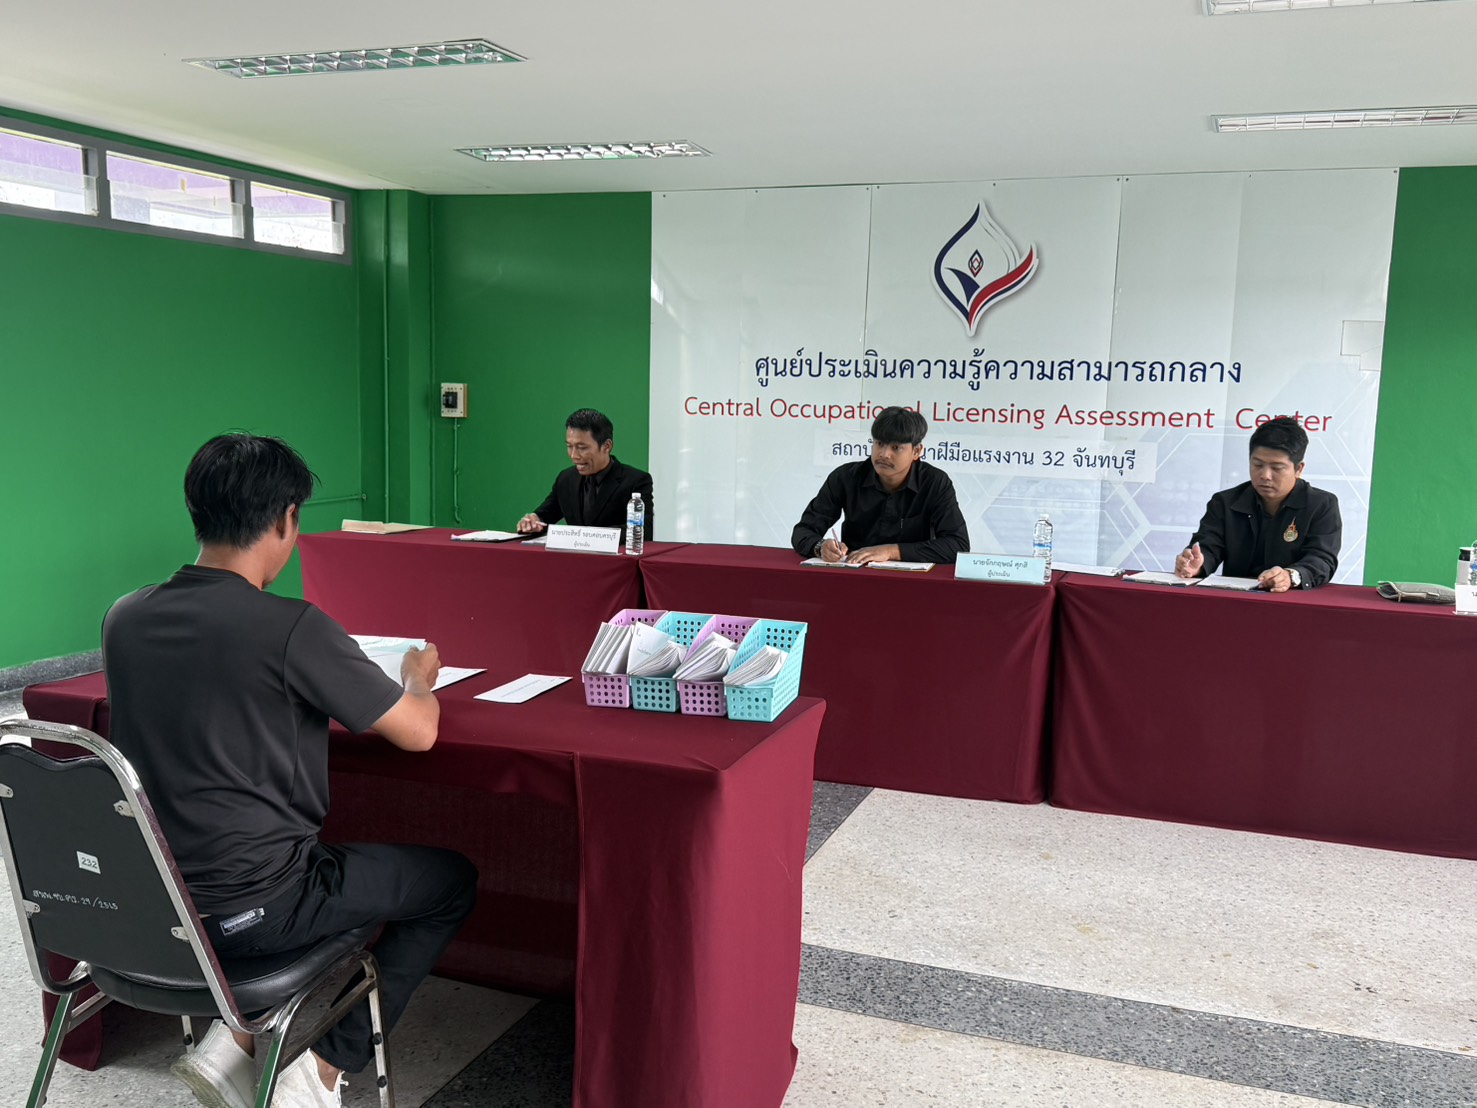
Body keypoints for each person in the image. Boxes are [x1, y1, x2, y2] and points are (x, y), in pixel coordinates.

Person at [101, 433, 478, 1108]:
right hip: (260, 909)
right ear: (286, 519)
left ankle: (234, 1041)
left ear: (196, 511)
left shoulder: (123, 617)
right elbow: (418, 733)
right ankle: (323, 1070)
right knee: (450, 881)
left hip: (152, 906)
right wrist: (417, 676)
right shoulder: (291, 627)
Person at [1174, 416, 1342, 591]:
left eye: (1277, 468)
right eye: (1257, 465)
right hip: (1235, 599)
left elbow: (1322, 559)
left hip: (1291, 600)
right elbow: (1208, 547)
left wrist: (1290, 576)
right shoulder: (1225, 502)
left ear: (1298, 469)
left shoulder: (1321, 505)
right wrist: (1196, 565)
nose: (1265, 475)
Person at [791, 406, 970, 565]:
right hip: (855, 576)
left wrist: (891, 551)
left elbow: (957, 544)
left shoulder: (935, 482)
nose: (884, 454)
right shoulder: (845, 477)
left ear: (916, 451)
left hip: (912, 582)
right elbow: (803, 531)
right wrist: (820, 547)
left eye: (896, 448)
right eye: (879, 443)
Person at [517, 408, 655, 537]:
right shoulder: (566, 478)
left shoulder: (636, 481)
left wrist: (588, 537)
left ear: (607, 446)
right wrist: (533, 521)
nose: (574, 455)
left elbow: (643, 530)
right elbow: (545, 516)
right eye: (569, 446)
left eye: (582, 448)